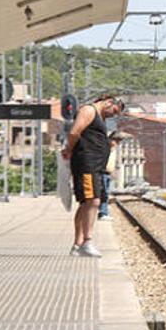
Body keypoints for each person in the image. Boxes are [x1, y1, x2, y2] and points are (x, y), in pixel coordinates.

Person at [61, 94, 125, 257]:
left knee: (85, 204)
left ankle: (78, 245)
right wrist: (69, 149)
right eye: (114, 111)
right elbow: (74, 132)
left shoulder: (98, 117)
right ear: (109, 102)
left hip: (93, 165)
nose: (113, 115)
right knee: (93, 200)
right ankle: (87, 242)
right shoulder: (89, 110)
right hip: (87, 164)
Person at [98, 131, 124, 221]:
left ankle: (104, 212)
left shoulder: (113, 149)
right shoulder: (105, 148)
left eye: (119, 142)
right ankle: (102, 213)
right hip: (103, 173)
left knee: (105, 194)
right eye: (116, 141)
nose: (117, 143)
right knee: (104, 194)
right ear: (111, 139)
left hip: (108, 173)